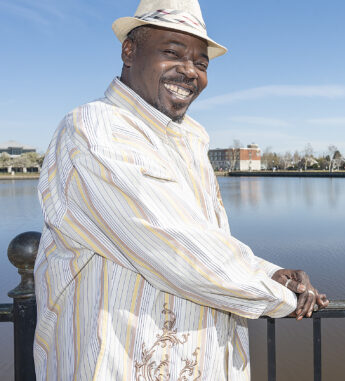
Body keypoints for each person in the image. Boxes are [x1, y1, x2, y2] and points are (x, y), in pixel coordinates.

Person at [34, 0, 328, 379]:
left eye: (201, 63)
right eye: (172, 52)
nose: (190, 71)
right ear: (129, 50)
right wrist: (283, 297)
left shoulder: (190, 138)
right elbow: (174, 245)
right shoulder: (97, 129)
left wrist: (272, 274)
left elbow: (204, 240)